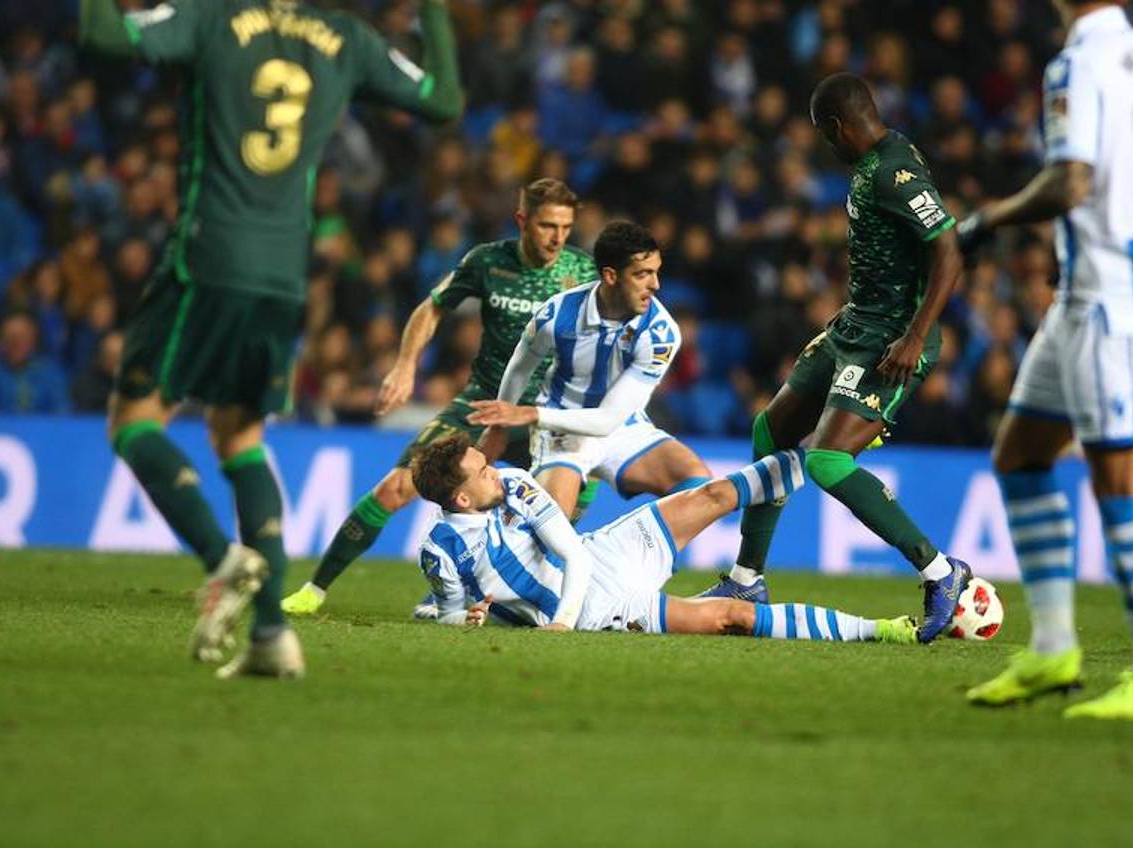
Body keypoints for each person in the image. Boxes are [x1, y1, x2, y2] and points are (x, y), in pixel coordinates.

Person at [77, 0, 463, 678]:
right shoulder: (346, 38)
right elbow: (442, 100)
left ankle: (223, 560)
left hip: (207, 258)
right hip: (285, 273)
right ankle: (271, 636)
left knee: (134, 421)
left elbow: (104, 34)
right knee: (240, 438)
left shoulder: (210, 19)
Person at [958, 0, 1133, 720]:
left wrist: (985, 220)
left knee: (1120, 481)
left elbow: (1070, 181)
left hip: (1118, 304)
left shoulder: (1077, 64)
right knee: (1020, 454)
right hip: (1086, 296)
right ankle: (1051, 649)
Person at [700, 73, 971, 643]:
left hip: (891, 340)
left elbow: (949, 250)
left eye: (826, 136)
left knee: (826, 461)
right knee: (770, 431)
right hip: (852, 326)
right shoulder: (874, 163)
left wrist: (916, 336)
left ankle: (942, 572)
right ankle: (746, 579)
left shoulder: (897, 171)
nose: (828, 146)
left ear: (837, 126)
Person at [281, 178, 598, 617]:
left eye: (566, 227)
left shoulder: (584, 272)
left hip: (547, 411)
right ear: (522, 220)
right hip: (483, 400)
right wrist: (406, 364)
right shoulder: (487, 262)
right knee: (395, 487)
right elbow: (432, 307)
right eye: (547, 225)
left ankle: (501, 600)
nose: (557, 237)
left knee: (561, 507)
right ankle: (314, 590)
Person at [409, 433, 917, 644]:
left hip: (599, 556)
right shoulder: (440, 552)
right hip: (599, 608)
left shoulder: (515, 482)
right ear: (461, 501)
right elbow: (452, 610)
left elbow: (570, 552)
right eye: (480, 473)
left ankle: (834, 445)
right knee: (729, 617)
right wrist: (463, 616)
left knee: (716, 492)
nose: (493, 470)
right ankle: (886, 629)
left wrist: (558, 627)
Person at [468, 220, 712, 521]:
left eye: (656, 272)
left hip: (622, 425)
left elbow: (609, 419)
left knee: (699, 485)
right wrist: (499, 426)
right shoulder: (558, 314)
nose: (655, 285)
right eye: (642, 274)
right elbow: (521, 366)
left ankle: (636, 560)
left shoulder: (660, 334)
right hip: (561, 430)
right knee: (549, 530)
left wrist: (530, 414)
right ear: (610, 276)